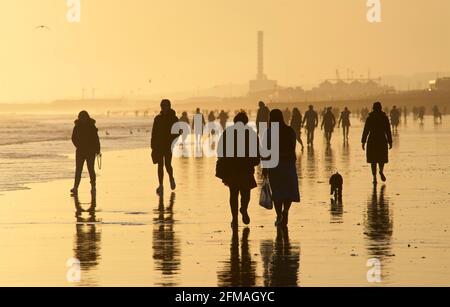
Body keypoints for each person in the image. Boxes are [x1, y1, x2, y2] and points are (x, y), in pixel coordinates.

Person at [216, 112, 260, 228]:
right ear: (245, 122)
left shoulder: (228, 133)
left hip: (232, 169)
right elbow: (257, 151)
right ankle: (244, 209)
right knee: (246, 193)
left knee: (233, 193)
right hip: (246, 168)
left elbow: (220, 150)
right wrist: (256, 161)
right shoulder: (251, 133)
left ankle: (234, 218)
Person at [262, 109, 300, 227]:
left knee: (277, 191)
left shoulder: (268, 132)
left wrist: (264, 167)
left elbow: (265, 151)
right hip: (288, 165)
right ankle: (286, 211)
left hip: (275, 166)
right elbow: (293, 147)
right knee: (288, 191)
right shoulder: (290, 131)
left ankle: (279, 215)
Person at [151, 99, 180, 195]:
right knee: (160, 165)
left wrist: (174, 139)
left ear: (169, 106)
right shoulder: (157, 119)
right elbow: (154, 133)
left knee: (167, 165)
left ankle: (171, 178)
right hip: (159, 145)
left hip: (168, 145)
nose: (164, 108)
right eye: (162, 106)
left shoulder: (174, 118)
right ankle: (161, 185)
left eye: (165, 106)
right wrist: (153, 146)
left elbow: (178, 132)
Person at [362, 102, 393, 184]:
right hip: (382, 139)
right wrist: (390, 141)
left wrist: (363, 141)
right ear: (380, 108)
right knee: (381, 158)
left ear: (373, 108)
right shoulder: (384, 118)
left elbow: (366, 130)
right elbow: (388, 131)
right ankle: (381, 171)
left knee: (373, 160)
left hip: (372, 139)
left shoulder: (370, 117)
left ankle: (374, 177)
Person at [71, 111, 101, 195]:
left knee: (91, 169)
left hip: (90, 151)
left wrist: (98, 150)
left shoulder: (91, 126)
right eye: (81, 117)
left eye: (84, 117)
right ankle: (75, 187)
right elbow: (73, 138)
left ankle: (93, 187)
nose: (82, 119)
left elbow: (96, 139)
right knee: (78, 170)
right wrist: (78, 146)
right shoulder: (77, 126)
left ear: (87, 117)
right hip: (80, 151)